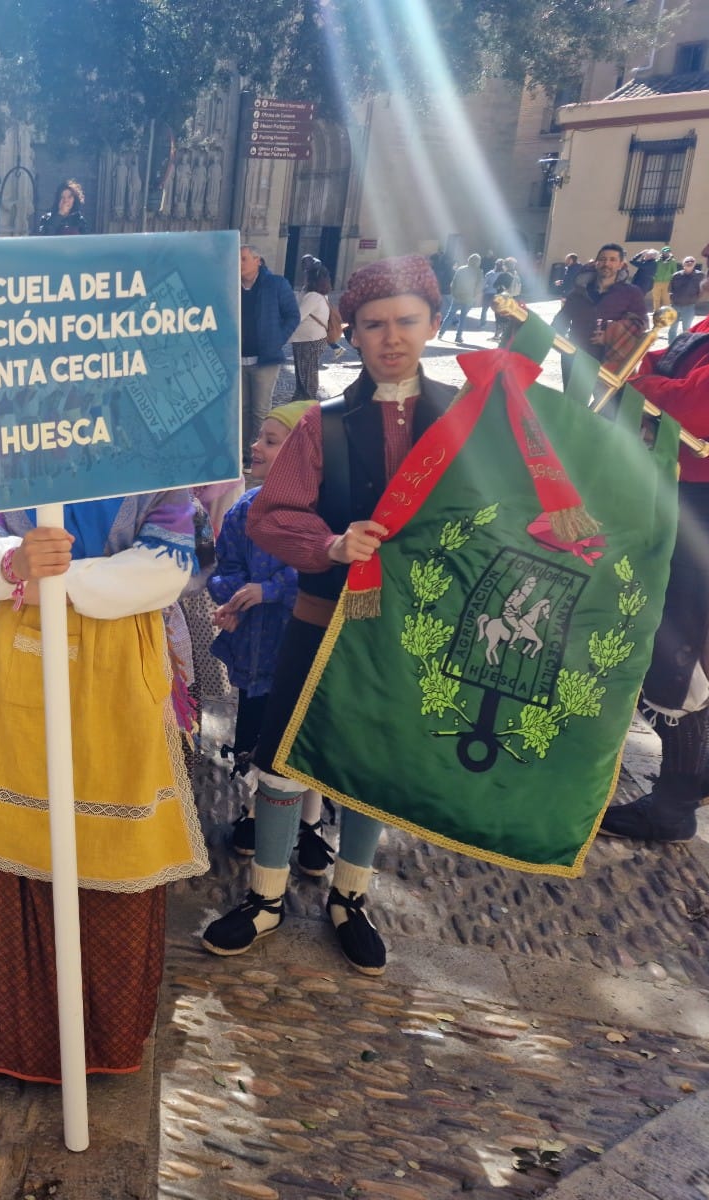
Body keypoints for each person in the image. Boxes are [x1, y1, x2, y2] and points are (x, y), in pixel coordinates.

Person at [0, 493, 210, 1081]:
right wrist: (12, 563)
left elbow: (167, 566)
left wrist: (48, 584)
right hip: (5, 655)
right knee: (0, 840)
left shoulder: (157, 457)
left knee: (111, 844)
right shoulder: (13, 435)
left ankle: (99, 1035)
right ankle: (2, 1026)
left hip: (117, 661)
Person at [201, 254, 454, 975]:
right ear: (351, 333)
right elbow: (272, 518)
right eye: (374, 324)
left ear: (433, 324)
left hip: (407, 631)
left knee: (372, 766)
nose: (391, 337)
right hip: (320, 618)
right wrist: (332, 543)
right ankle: (268, 897)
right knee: (284, 760)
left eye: (406, 321)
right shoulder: (322, 426)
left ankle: (351, 899)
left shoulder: (462, 424)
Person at [598, 217, 709, 843]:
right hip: (681, 491)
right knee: (663, 632)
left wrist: (640, 383)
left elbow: (699, 404)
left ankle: (674, 803)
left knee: (682, 647)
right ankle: (696, 768)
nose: (707, 251)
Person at [211, 401, 325, 871]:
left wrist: (270, 589)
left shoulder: (326, 511)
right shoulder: (244, 510)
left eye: (270, 442)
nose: (255, 447)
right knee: (262, 732)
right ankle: (259, 809)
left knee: (310, 731)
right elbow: (226, 567)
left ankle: (312, 823)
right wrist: (235, 598)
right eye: (259, 438)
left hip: (305, 646)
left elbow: (326, 569)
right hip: (257, 652)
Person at [238, 244, 300, 454]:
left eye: (243, 258)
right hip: (238, 360)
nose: (239, 263)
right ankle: (243, 454)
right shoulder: (231, 286)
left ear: (258, 261)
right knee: (242, 410)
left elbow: (293, 315)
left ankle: (257, 453)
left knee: (260, 410)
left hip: (265, 359)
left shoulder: (275, 284)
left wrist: (277, 340)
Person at [553, 242, 648, 366]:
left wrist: (611, 334)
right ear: (596, 263)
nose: (607, 264)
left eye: (612, 260)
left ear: (620, 265)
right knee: (573, 386)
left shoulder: (631, 292)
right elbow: (562, 319)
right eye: (602, 259)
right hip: (574, 356)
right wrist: (558, 342)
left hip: (610, 359)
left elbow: (642, 324)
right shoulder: (580, 290)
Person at [290, 264, 331, 399]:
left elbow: (298, 316)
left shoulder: (313, 296)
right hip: (311, 339)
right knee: (306, 373)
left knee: (306, 375)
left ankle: (306, 402)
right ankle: (301, 399)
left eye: (306, 276)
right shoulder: (320, 295)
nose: (304, 279)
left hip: (308, 340)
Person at [439, 252, 482, 343]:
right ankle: (458, 336)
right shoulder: (478, 272)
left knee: (449, 315)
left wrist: (453, 293)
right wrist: (474, 295)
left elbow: (454, 282)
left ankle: (441, 333)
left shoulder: (461, 269)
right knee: (462, 318)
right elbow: (479, 286)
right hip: (468, 298)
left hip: (457, 296)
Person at [668, 255, 704, 342]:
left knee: (687, 329)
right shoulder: (676, 275)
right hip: (675, 305)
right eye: (687, 261)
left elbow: (703, 289)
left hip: (689, 306)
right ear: (683, 264)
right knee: (672, 328)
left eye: (692, 261)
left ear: (695, 263)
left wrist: (696, 298)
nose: (689, 263)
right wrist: (672, 297)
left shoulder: (700, 275)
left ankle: (684, 346)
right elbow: (670, 289)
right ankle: (670, 346)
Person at [650, 246, 678, 313]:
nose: (666, 253)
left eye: (668, 252)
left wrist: (673, 281)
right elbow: (652, 270)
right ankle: (656, 311)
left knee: (666, 298)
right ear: (662, 252)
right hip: (656, 282)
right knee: (656, 298)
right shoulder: (657, 261)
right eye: (665, 251)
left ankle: (666, 312)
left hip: (667, 282)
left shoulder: (672, 261)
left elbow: (674, 272)